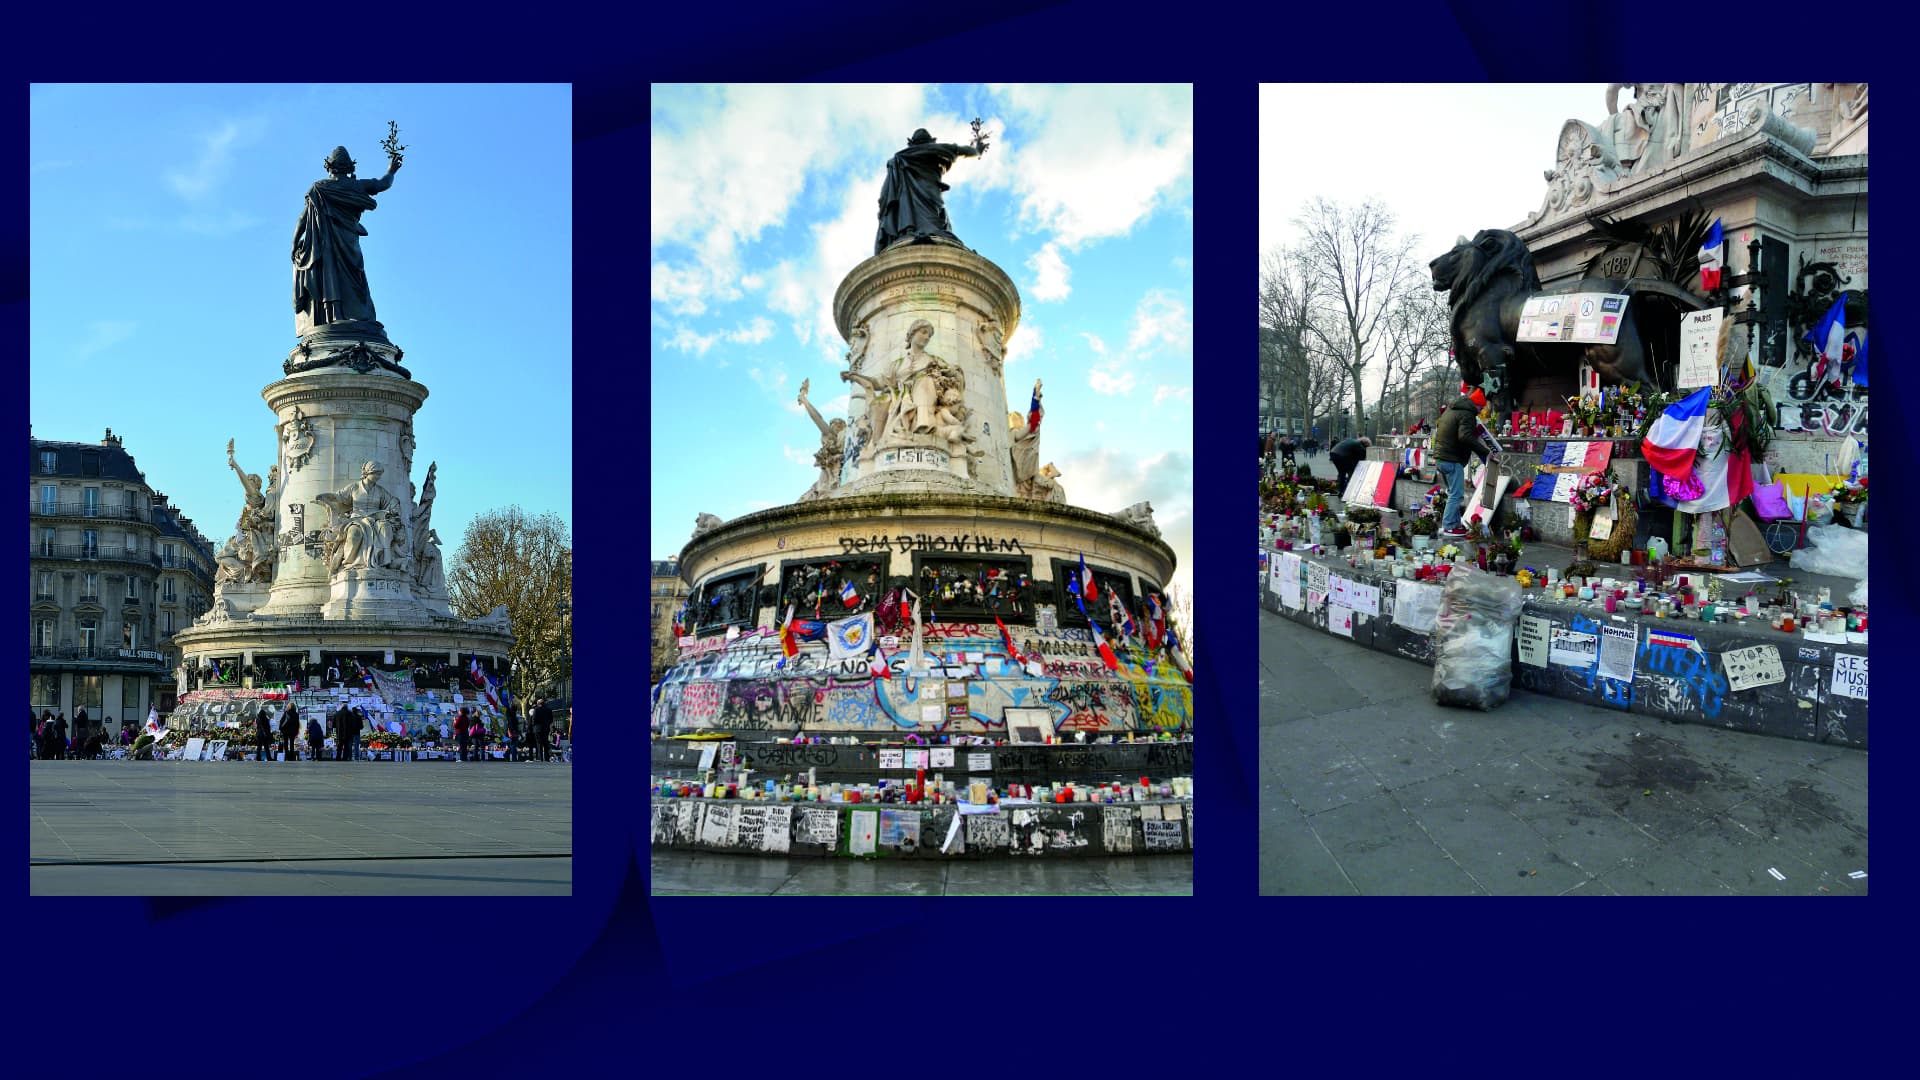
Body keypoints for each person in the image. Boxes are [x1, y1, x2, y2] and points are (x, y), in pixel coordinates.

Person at [1431, 383, 1495, 539]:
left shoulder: (1452, 409)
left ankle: (1453, 523)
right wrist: (1486, 452)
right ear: (1476, 405)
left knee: (1453, 492)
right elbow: (1465, 437)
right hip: (1452, 459)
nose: (1481, 412)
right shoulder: (1467, 414)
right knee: (1457, 494)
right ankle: (1449, 526)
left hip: (1441, 457)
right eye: (1481, 409)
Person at [531, 697, 553, 763]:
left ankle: (540, 758)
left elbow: (533, 720)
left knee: (539, 743)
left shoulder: (536, 709)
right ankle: (547, 758)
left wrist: (534, 725)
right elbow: (551, 720)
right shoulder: (549, 710)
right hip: (546, 728)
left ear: (538, 704)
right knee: (545, 743)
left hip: (538, 729)